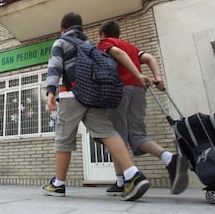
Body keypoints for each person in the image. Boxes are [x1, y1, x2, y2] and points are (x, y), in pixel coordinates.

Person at [41, 12, 151, 201]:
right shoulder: (89, 44)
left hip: (71, 94)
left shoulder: (61, 42)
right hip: (94, 94)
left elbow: (55, 67)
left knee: (63, 137)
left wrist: (51, 92)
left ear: (63, 28)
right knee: (107, 132)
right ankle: (133, 174)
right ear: (81, 28)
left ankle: (58, 184)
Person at [97, 20, 189, 195]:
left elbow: (116, 53)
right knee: (137, 134)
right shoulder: (131, 46)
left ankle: (121, 181)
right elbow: (149, 58)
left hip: (119, 90)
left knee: (116, 137)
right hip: (139, 90)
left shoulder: (104, 44)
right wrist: (158, 77)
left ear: (102, 34)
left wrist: (137, 74)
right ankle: (169, 158)